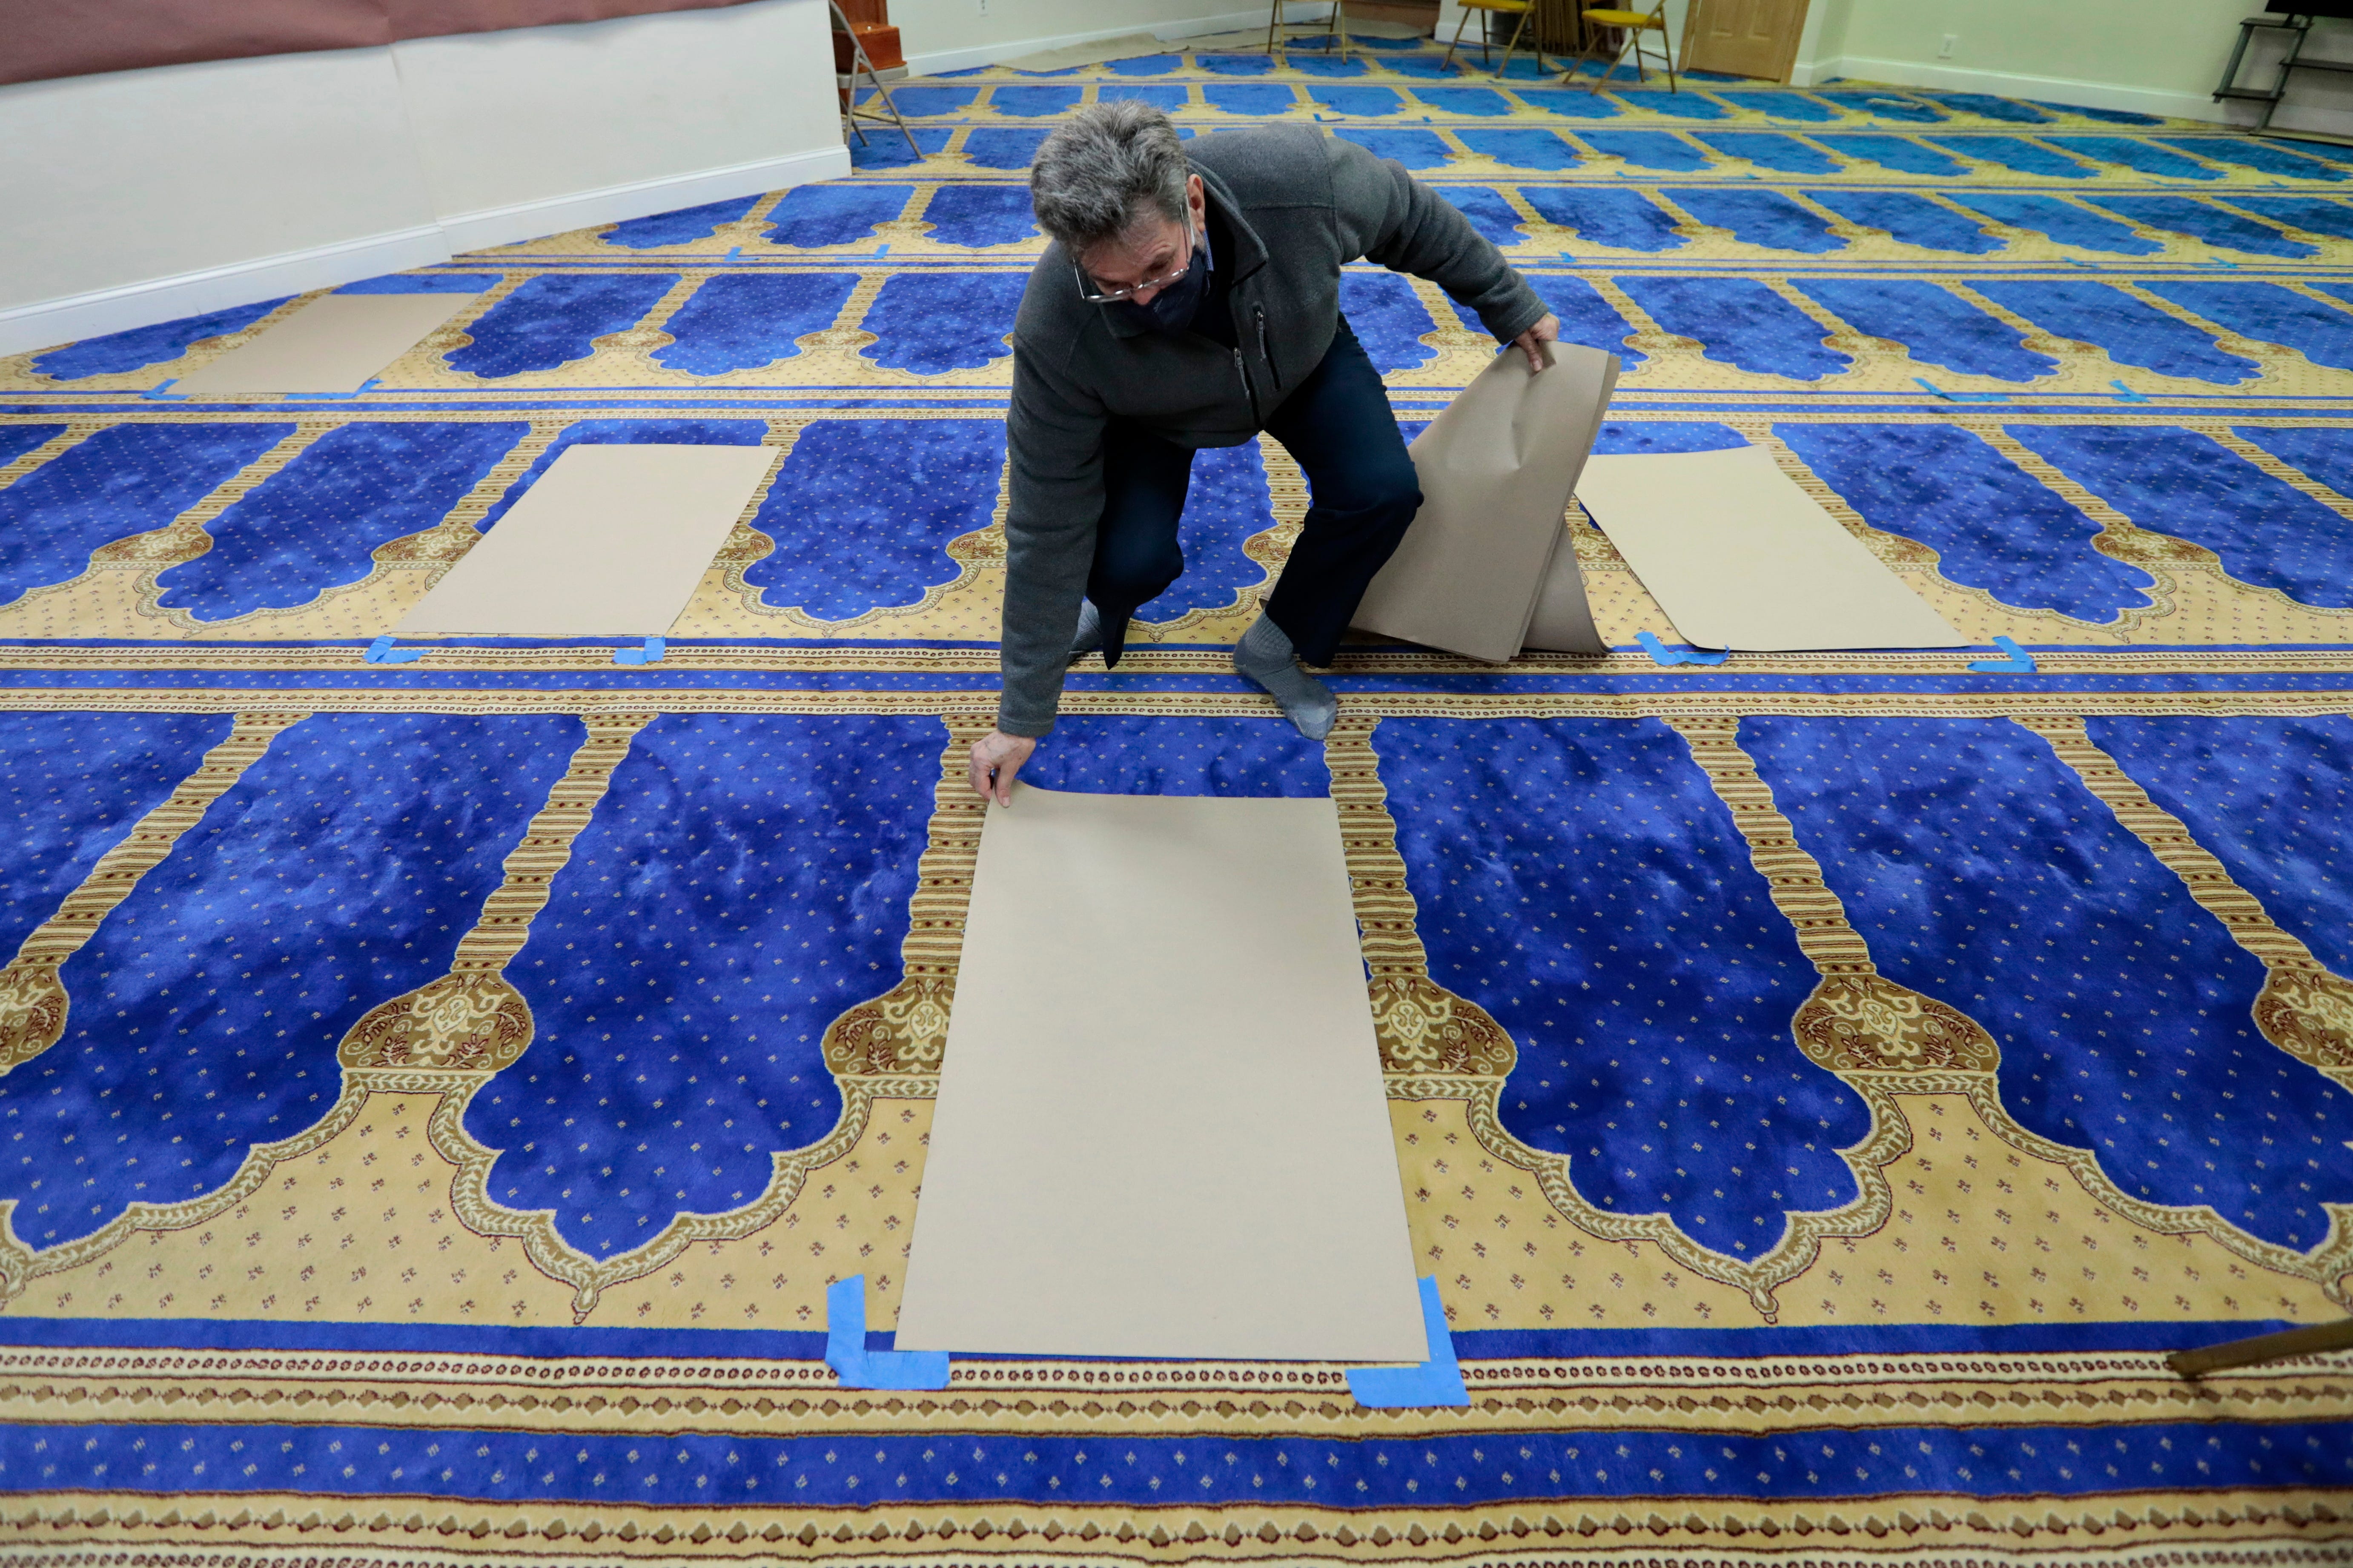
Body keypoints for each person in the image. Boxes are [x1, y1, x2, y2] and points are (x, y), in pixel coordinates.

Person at [968, 100, 1559, 804]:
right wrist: (1023, 715)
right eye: (1114, 287)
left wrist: (1509, 303)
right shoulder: (1058, 328)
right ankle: (1103, 609)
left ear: (1192, 201)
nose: (1145, 300)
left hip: (1296, 355)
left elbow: (1410, 215)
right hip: (1146, 410)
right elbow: (1045, 518)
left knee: (1382, 491)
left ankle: (1276, 641)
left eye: (1158, 267)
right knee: (1130, 562)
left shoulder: (1297, 179)